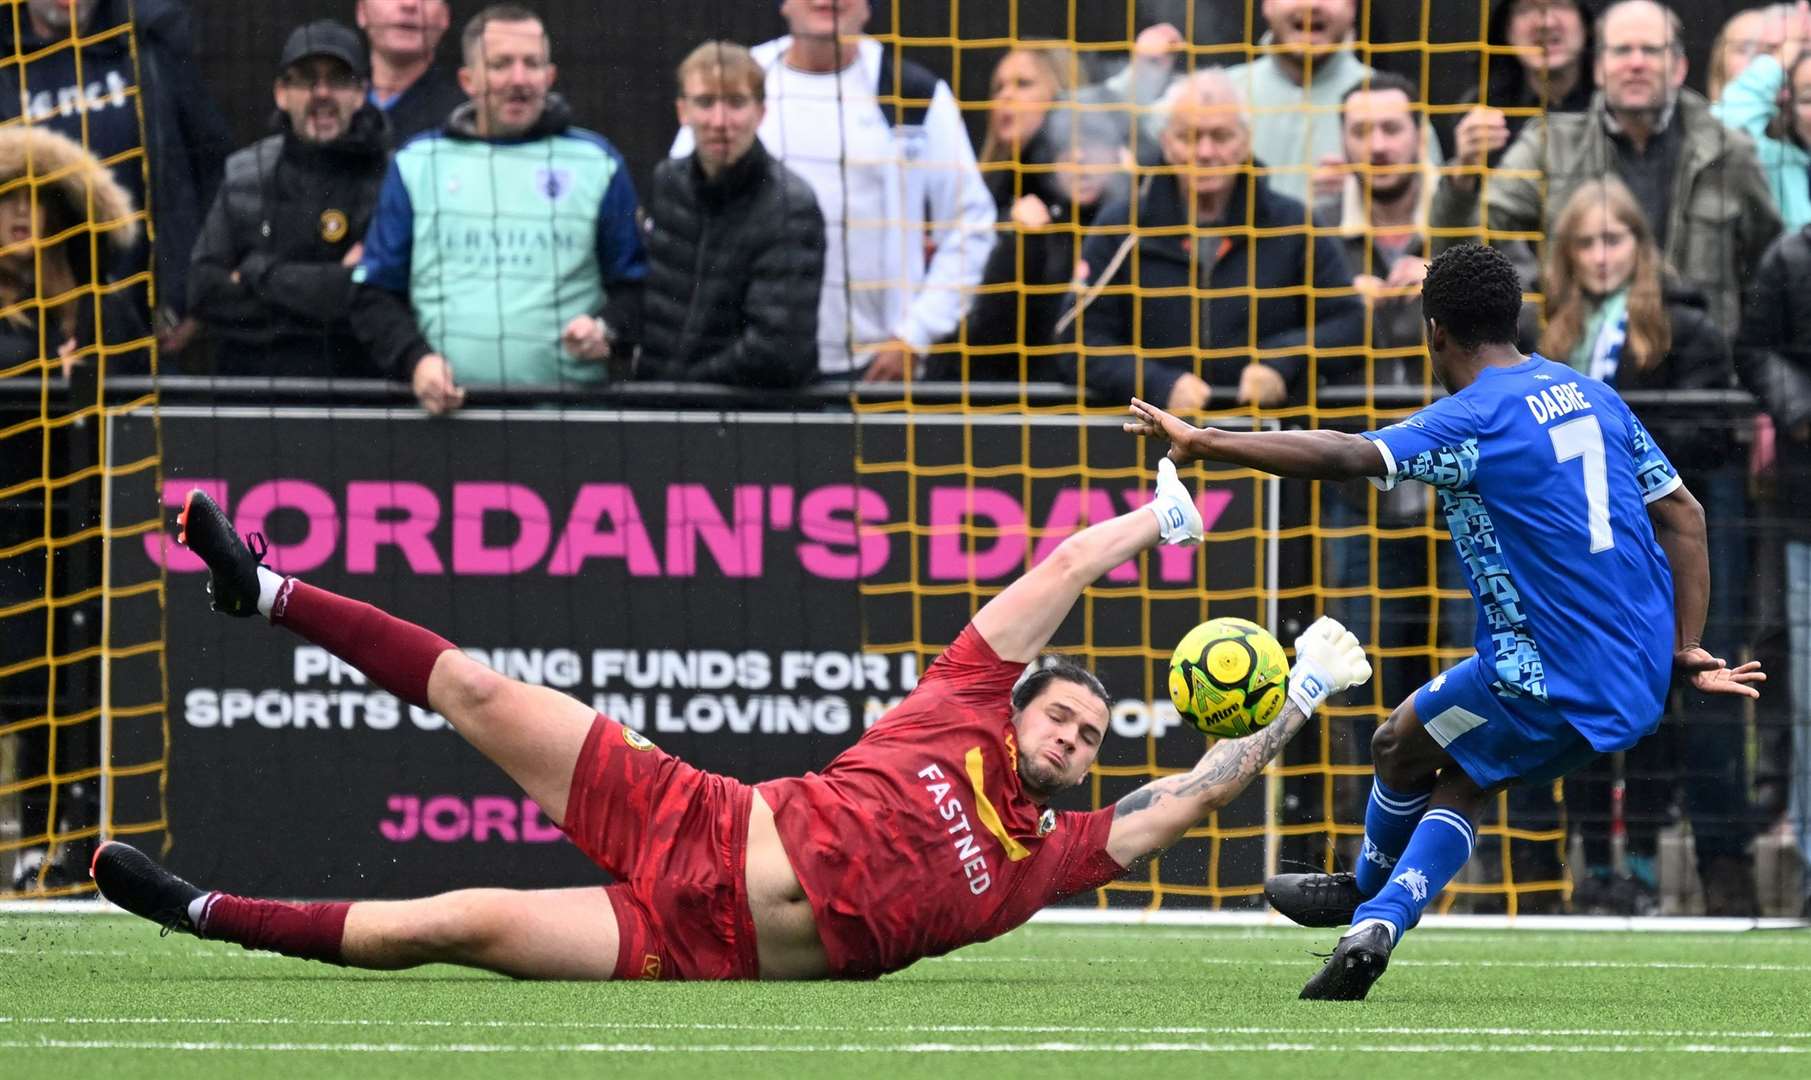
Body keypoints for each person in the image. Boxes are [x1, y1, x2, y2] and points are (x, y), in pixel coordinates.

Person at [90, 470, 1374, 980]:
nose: (1075, 741)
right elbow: (1053, 577)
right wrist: (1161, 521)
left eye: (1093, 738)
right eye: (1062, 716)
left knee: (457, 923)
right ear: (1020, 704)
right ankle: (264, 588)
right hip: (691, 812)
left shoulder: (1050, 855)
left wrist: (1298, 702)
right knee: (477, 690)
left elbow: (1191, 797)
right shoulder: (955, 705)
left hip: (688, 941)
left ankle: (198, 912)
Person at [1124, 242, 1763, 999]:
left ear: (1434, 332)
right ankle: (1375, 914)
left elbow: (1346, 454)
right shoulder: (1593, 395)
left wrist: (1207, 440)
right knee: (1448, 770)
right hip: (1635, 677)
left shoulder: (1468, 421)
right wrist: (1682, 645)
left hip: (1543, 671)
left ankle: (1365, 894)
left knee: (1397, 746)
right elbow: (1683, 515)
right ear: (1514, 319)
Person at [1525, 178, 1755, 913]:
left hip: (1652, 545)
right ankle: (1592, 863)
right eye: (1584, 243)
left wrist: (1624, 465)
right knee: (1583, 704)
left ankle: (1649, 864)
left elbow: (1709, 435)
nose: (1598, 256)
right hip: (1576, 550)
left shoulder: (1684, 328)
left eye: (1612, 240)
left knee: (1653, 702)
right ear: (1564, 254)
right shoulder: (1546, 333)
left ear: (1639, 246)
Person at [671, 0, 994, 383]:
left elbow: (970, 225)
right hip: (744, 366)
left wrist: (916, 335)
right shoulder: (735, 80)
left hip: (874, 369)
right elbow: (681, 208)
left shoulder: (913, 95)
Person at [350, 4, 647, 414]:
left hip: (567, 417)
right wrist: (417, 361)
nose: (519, 79)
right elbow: (375, 294)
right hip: (448, 417)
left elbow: (636, 289)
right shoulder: (419, 163)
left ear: (550, 76)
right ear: (468, 80)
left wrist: (606, 330)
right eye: (501, 64)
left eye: (532, 64)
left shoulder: (596, 163)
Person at [1431, 0, 1781, 334]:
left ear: (1679, 68)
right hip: (1582, 368)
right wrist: (1462, 177)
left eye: (1651, 50)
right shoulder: (1549, 145)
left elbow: (1767, 271)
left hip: (1701, 372)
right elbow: (1470, 246)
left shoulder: (1730, 151)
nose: (1636, 63)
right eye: (1621, 51)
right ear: (1598, 67)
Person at [0, 125, 145, 891]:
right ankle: (34, 836)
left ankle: (72, 846)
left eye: (37, 201)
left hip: (91, 529)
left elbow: (133, 383)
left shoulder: (104, 311)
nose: (20, 217)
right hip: (15, 522)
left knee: (78, 691)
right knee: (24, 678)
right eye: (7, 202)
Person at [1066, 69, 1362, 412]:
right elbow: (1075, 339)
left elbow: (1352, 324)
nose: (1205, 152)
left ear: (1245, 141)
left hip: (1267, 440)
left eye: (1220, 136)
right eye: (1188, 137)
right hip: (1149, 439)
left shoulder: (1293, 224)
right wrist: (1156, 383)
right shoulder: (1122, 227)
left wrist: (1282, 361)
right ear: (1165, 142)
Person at [0, 0, 232, 357]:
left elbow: (213, 168)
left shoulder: (148, 46)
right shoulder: (7, 58)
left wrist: (192, 296)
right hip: (22, 334)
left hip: (142, 328)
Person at [189, 21, 390, 379]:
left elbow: (376, 298)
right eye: (306, 79)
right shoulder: (245, 172)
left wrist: (255, 272)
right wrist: (326, 288)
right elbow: (204, 291)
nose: (322, 93)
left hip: (356, 392)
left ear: (361, 94)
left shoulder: (391, 178)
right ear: (281, 93)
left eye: (339, 80)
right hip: (253, 391)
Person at [637, 41, 824, 388]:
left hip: (747, 417)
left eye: (736, 102)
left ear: (761, 112)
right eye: (705, 102)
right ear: (683, 111)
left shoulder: (790, 205)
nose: (720, 122)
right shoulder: (667, 182)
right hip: (660, 412)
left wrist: (683, 388)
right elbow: (653, 308)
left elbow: (778, 350)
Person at [962, 45, 1129, 382]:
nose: (1007, 97)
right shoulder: (976, 187)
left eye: (1023, 84)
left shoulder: (1109, 200)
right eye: (999, 87)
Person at [1736, 223, 1811, 918]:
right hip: (1803, 506)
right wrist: (1799, 411)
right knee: (1808, 694)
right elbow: (1750, 349)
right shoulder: (1789, 253)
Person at [1438, 0, 1596, 173]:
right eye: (1526, 8)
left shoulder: (1616, 102)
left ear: (1585, 22)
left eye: (1560, 4)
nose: (1546, 23)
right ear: (1506, 29)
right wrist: (1463, 173)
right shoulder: (1481, 110)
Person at [1709, 3, 1811, 230]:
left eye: (1804, 50)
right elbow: (1723, 129)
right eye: (1772, 52)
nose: (1790, 61)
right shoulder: (1766, 145)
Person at [358, 0, 467, 142]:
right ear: (362, 11)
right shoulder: (331, 97)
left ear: (445, 17)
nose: (409, 4)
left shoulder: (466, 111)